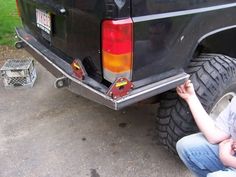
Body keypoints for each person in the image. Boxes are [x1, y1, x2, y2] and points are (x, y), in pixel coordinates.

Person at [176, 80, 236, 177]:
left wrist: (226, 158)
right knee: (185, 147)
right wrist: (191, 97)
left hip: (229, 157)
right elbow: (215, 134)